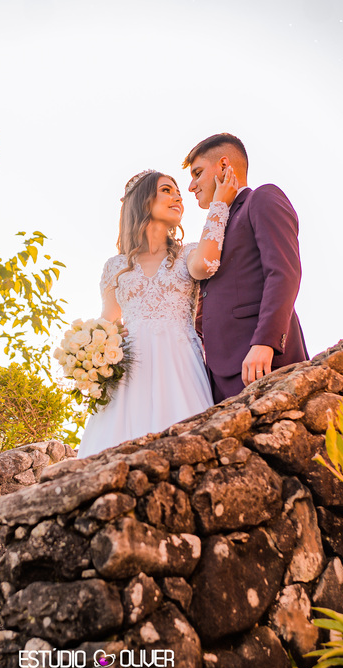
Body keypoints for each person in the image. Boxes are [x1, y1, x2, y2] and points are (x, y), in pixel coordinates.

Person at [77, 168, 240, 457]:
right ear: (142, 201)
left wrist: (219, 205)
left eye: (178, 192)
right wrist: (88, 354)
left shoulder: (187, 254)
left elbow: (205, 265)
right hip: (129, 376)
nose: (178, 197)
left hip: (179, 366)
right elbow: (108, 323)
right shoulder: (116, 266)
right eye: (166, 190)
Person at [184, 133, 308, 402]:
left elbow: (283, 273)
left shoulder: (262, 198)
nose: (191, 186)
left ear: (224, 165)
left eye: (197, 173)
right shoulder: (214, 229)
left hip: (262, 362)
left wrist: (265, 342)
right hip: (216, 377)